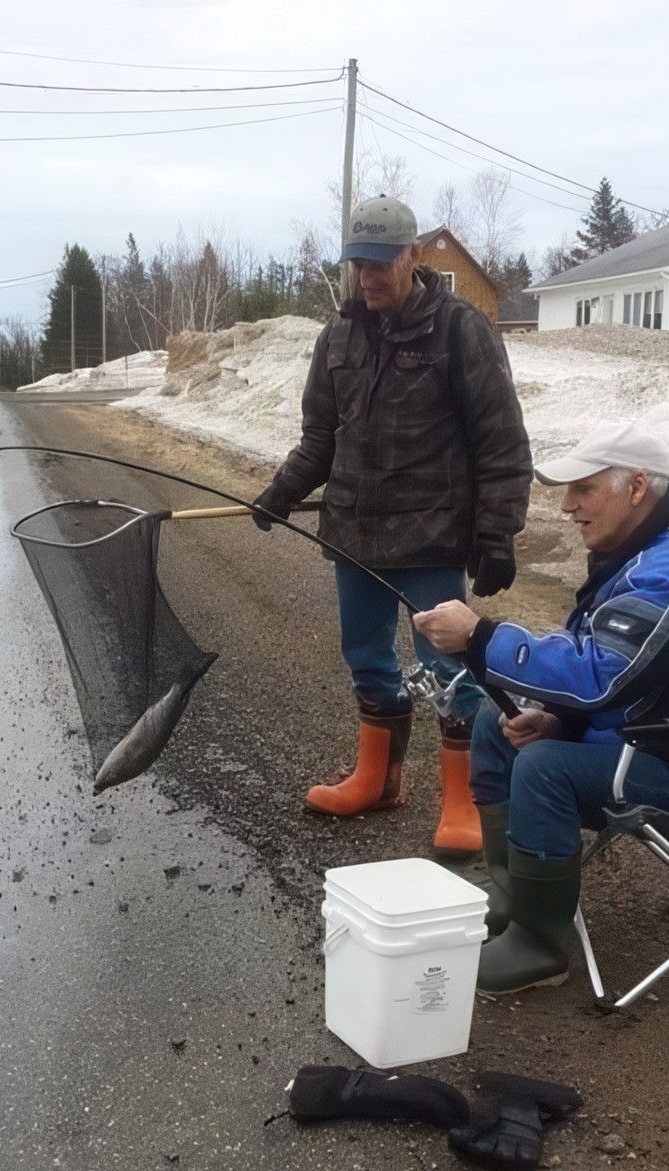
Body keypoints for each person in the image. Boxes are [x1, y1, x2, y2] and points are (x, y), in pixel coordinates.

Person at [413, 421, 669, 994]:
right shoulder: (642, 547)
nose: (567, 506)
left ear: (637, 486)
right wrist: (562, 719)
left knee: (545, 768)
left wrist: (480, 637)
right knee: (499, 723)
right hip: (667, 732)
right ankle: (514, 894)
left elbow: (599, 676)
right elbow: (631, 673)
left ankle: (540, 946)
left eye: (583, 490)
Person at [253, 195, 532, 856]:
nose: (368, 278)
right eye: (358, 264)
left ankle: (463, 799)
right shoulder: (339, 334)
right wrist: (281, 492)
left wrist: (497, 533)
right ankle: (377, 781)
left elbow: (502, 442)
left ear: (413, 254)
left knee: (449, 671)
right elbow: (319, 438)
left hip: (433, 537)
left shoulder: (462, 328)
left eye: (380, 263)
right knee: (367, 659)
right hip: (354, 535)